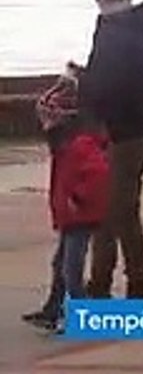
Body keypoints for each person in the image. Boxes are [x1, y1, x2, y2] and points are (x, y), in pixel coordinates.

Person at [78, 0, 143, 300]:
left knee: (115, 212)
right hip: (135, 130)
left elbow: (111, 84)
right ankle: (115, 282)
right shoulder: (136, 29)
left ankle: (123, 285)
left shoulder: (115, 32)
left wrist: (83, 83)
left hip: (119, 133)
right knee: (118, 210)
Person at [23, 71, 110, 333]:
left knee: (71, 270)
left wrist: (78, 198)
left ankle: (84, 315)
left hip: (80, 214)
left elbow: (98, 175)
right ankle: (53, 309)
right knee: (60, 265)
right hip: (71, 215)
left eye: (49, 120)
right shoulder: (66, 145)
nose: (45, 126)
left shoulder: (79, 145)